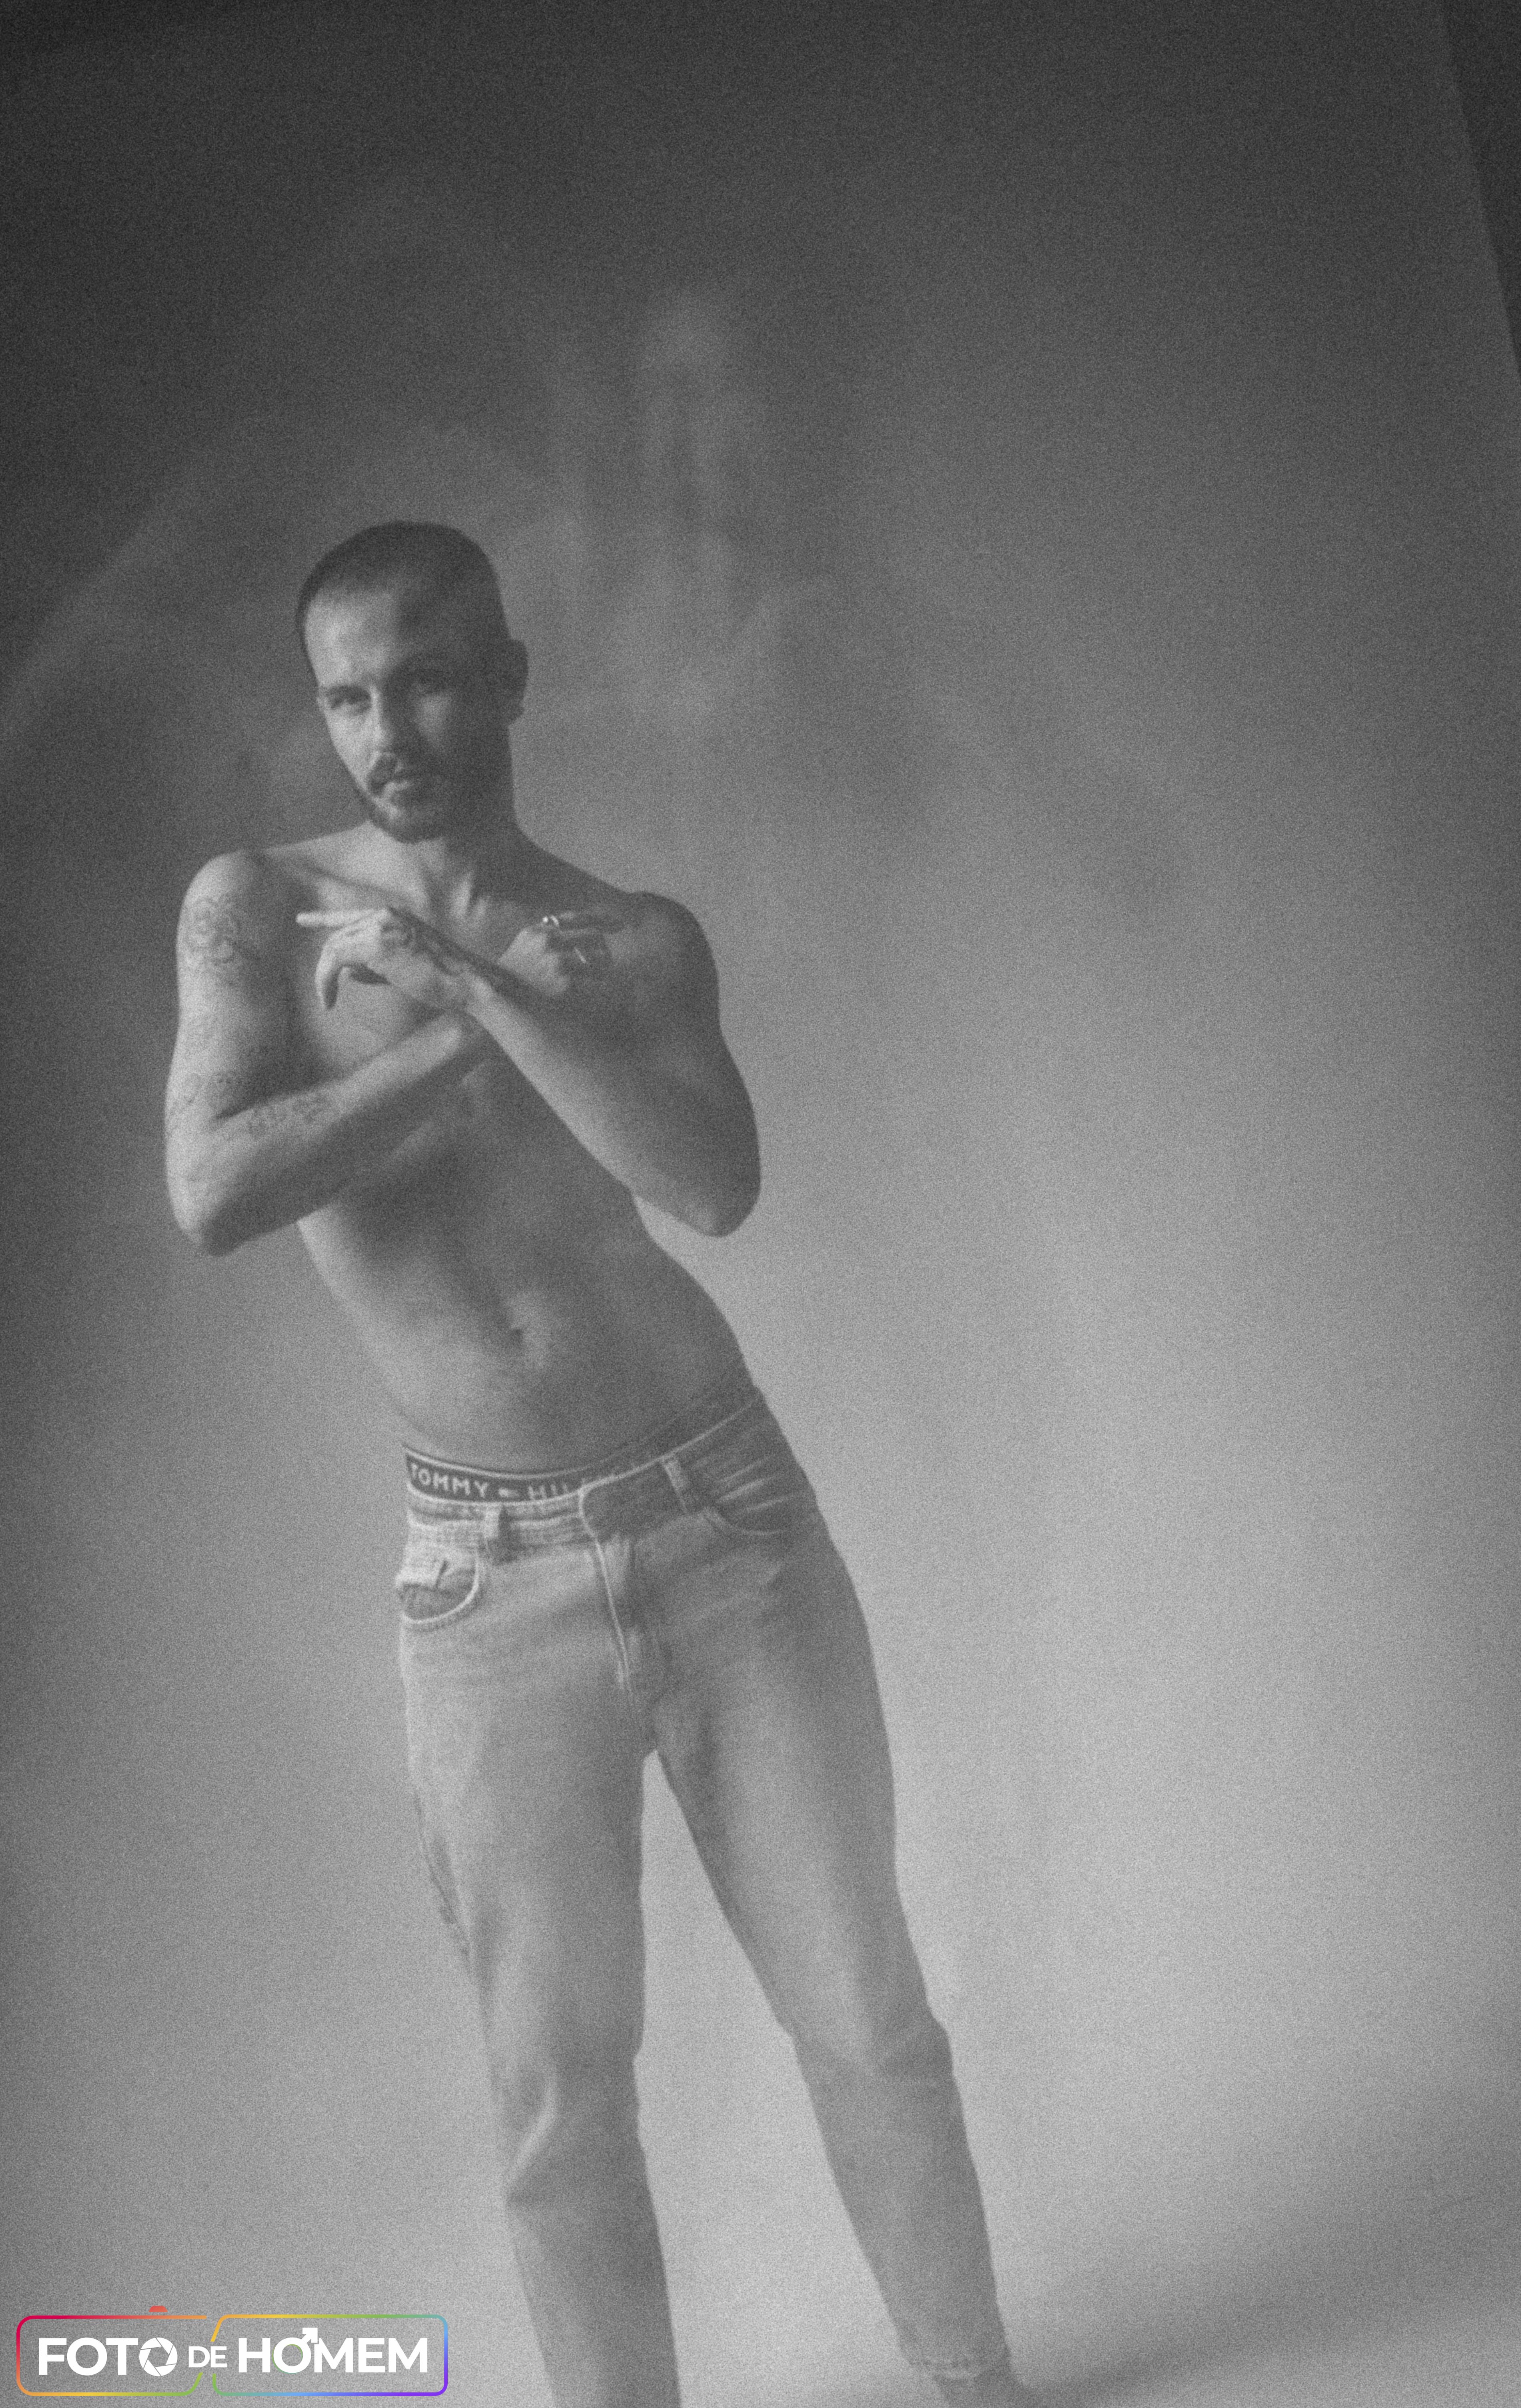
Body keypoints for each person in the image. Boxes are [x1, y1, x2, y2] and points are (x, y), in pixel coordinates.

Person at [163, 522, 1034, 2408]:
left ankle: (977, 2385)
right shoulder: (258, 912)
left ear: (509, 677)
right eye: (346, 697)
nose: (386, 731)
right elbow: (214, 1188)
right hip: (482, 1584)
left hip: (725, 1519)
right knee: (556, 2094)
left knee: (865, 2016)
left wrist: (488, 990)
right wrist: (437, 1043)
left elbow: (709, 1185)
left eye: (425, 680)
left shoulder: (627, 938)